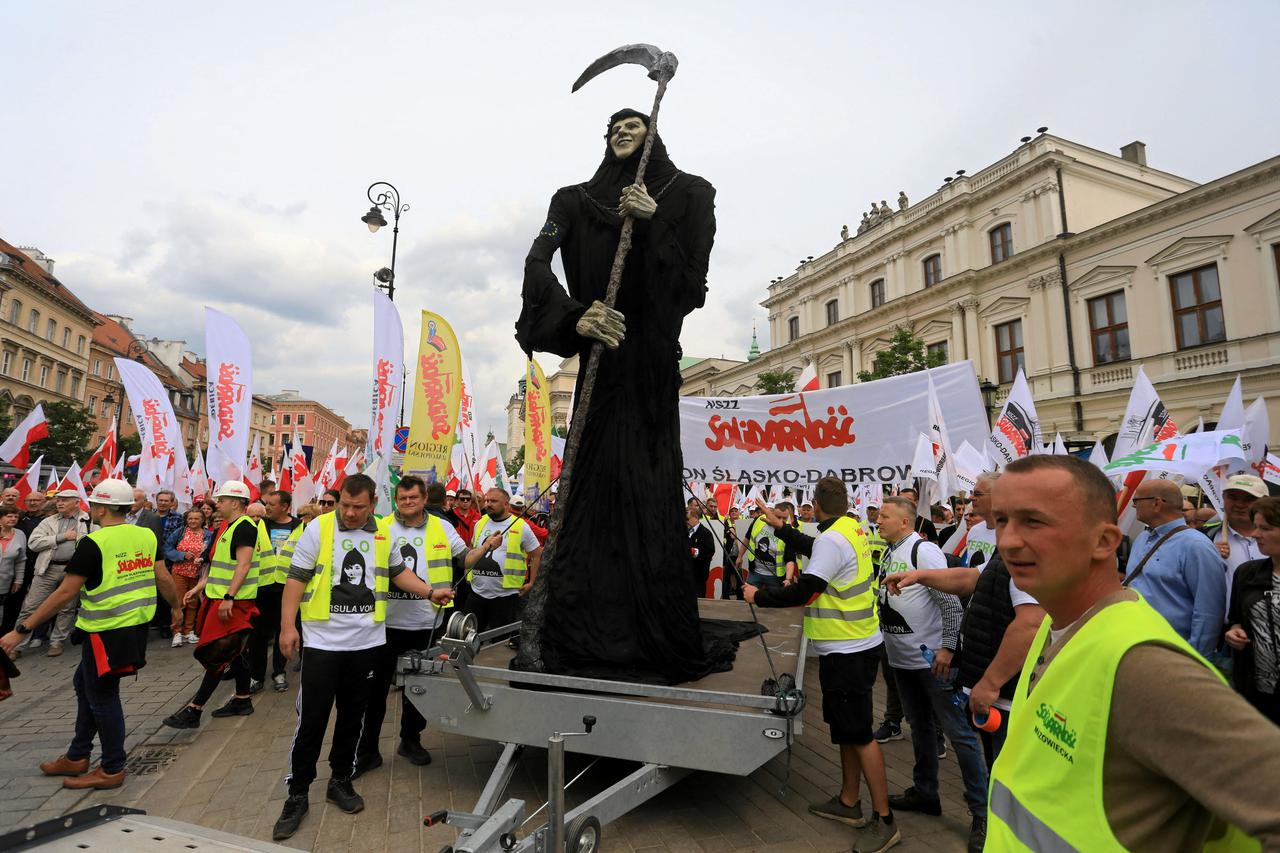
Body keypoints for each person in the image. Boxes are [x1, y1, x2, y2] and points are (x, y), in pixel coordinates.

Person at [983, 454, 1280, 850]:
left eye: (1033, 521)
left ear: (1104, 542)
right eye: (1001, 520)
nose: (1007, 540)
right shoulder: (1058, 622)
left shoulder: (1146, 669)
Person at [512, 106, 716, 682]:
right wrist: (575, 316)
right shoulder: (571, 200)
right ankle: (573, 621)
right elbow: (536, 257)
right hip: (600, 358)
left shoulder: (692, 194)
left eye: (635, 127)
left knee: (647, 481)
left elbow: (692, 288)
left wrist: (654, 224)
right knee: (590, 481)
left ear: (654, 137)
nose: (624, 133)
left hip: (651, 365)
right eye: (615, 129)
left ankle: (650, 623)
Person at [271, 474, 453, 841]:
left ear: (372, 504)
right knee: (312, 721)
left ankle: (340, 779)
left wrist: (430, 591)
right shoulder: (318, 529)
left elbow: (400, 573)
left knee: (353, 718)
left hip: (367, 643)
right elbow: (296, 578)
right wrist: (287, 627)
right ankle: (297, 793)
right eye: (345, 506)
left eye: (358, 507)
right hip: (323, 643)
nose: (350, 514)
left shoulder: (383, 534)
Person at [746, 477, 900, 853]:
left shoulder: (833, 539)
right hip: (852, 647)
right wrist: (781, 528)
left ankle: (886, 821)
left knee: (860, 735)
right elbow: (815, 546)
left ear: (813, 506)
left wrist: (759, 596)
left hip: (850, 649)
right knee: (848, 730)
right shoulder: (852, 527)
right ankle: (849, 802)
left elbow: (805, 591)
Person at [0, 479, 179, 789]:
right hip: (131, 628)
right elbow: (161, 576)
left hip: (105, 632)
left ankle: (112, 768)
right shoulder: (145, 535)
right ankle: (78, 754)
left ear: (101, 507)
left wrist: (22, 630)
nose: (89, 508)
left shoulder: (93, 542)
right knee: (84, 684)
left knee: (103, 696)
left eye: (92, 503)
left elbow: (65, 592)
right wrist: (175, 607)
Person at [885, 472, 1044, 768]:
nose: (970, 502)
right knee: (994, 763)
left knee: (1005, 768)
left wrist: (990, 683)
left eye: (978, 495)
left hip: (1008, 693)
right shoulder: (1005, 551)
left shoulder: (1025, 551)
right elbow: (971, 577)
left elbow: (1030, 625)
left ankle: (985, 813)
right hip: (995, 687)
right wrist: (919, 576)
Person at [352, 476, 492, 775]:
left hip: (427, 623)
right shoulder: (380, 527)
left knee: (419, 687)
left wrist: (486, 547)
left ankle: (410, 740)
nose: (407, 504)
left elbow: (465, 559)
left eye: (413, 498)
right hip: (384, 624)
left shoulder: (442, 526)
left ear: (424, 498)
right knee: (375, 691)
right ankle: (367, 750)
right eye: (402, 499)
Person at [875, 497, 987, 852]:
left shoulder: (924, 552)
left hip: (933, 661)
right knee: (919, 727)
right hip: (902, 660)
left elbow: (951, 604)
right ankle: (926, 793)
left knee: (959, 735)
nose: (878, 520)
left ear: (905, 523)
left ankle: (981, 813)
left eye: (884, 516)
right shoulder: (890, 550)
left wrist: (948, 648)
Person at [160, 481, 262, 728]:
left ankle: (195, 710)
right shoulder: (230, 526)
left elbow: (244, 565)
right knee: (234, 652)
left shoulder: (245, 527)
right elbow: (219, 566)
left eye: (223, 500)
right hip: (221, 599)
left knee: (217, 654)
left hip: (233, 603)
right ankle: (242, 698)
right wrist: (199, 587)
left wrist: (229, 597)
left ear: (235, 503)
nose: (218, 504)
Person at [1126, 478, 1226, 657]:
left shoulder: (1196, 545)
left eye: (1136, 501)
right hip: (1135, 645)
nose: (1134, 507)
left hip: (1174, 652)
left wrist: (1196, 658)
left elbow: (1209, 610)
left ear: (1156, 503)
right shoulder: (1141, 539)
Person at [13, 490, 92, 658]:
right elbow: (33, 543)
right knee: (30, 606)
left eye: (64, 500)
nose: (59, 503)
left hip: (73, 571)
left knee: (67, 608)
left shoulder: (87, 521)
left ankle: (57, 641)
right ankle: (17, 645)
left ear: (76, 502)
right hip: (47, 569)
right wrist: (61, 537)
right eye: (58, 500)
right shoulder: (48, 521)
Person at [1225, 496, 1280, 723]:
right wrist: (1233, 632)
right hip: (1256, 693)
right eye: (1256, 527)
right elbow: (1236, 619)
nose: (1256, 534)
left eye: (1265, 528)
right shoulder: (1247, 573)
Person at [465, 488, 541, 632]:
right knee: (468, 637)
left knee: (499, 643)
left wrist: (531, 582)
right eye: (487, 500)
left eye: (493, 501)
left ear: (506, 504)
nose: (488, 504)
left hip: (505, 596)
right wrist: (467, 570)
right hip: (476, 593)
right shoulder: (480, 523)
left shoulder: (520, 525)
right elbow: (472, 547)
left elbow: (536, 554)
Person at [250, 489, 301, 693]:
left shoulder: (301, 527)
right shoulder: (258, 525)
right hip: (262, 588)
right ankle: (256, 676)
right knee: (258, 636)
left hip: (288, 589)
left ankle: (279, 672)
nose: (267, 507)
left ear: (285, 507)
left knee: (284, 631)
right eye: (266, 503)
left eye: (271, 504)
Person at [1203, 474, 1267, 605]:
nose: (1239, 504)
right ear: (1223, 498)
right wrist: (1204, 555)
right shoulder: (1205, 539)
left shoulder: (1276, 540)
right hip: (1221, 624)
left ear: (1265, 502)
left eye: (1249, 498)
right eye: (1233, 497)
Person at [163, 509, 212, 646]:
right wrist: (181, 555)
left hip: (198, 574)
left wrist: (202, 559)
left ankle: (188, 631)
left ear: (202, 520)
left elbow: (210, 553)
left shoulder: (208, 535)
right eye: (190, 518)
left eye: (196, 519)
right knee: (178, 602)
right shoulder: (180, 532)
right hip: (179, 572)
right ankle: (177, 632)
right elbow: (167, 548)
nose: (193, 521)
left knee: (192, 603)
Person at [0, 506, 27, 610]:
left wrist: (18, 580)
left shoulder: (20, 534)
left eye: (16, 516)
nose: (13, 519)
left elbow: (21, 560)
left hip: (4, 582)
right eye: (9, 516)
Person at [687, 505, 714, 598]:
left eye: (688, 518)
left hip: (698, 575)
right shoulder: (685, 531)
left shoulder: (705, 533)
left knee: (698, 601)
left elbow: (710, 551)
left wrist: (695, 552)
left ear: (696, 518)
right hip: (685, 575)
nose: (686, 521)